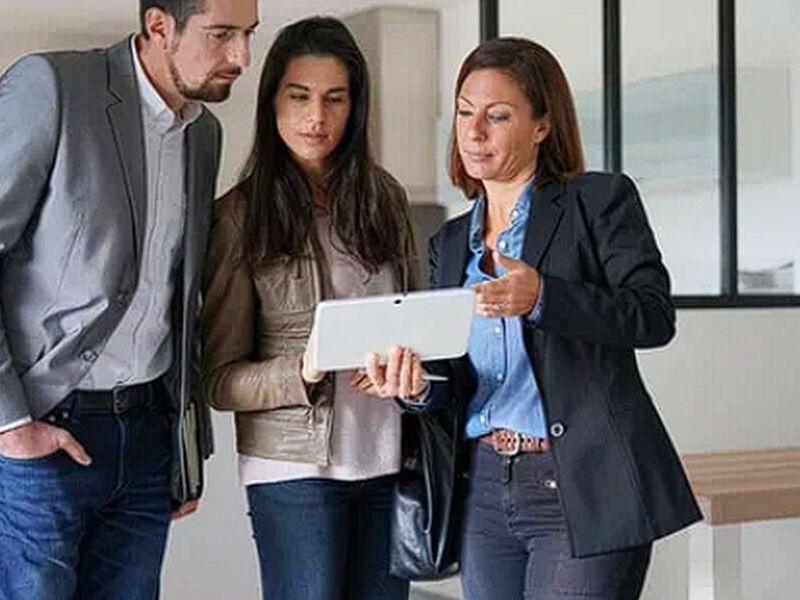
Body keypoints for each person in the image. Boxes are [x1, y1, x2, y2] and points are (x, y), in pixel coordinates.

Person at [423, 37, 702, 600]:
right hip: (484, 489)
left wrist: (544, 296)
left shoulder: (597, 202)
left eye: (498, 116)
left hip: (581, 483)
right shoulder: (449, 244)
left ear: (542, 126)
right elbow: (450, 378)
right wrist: (413, 385)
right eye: (465, 112)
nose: (474, 132)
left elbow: (652, 315)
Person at [0, 0, 256, 597]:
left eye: (248, 34)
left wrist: (183, 444)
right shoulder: (54, 88)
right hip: (45, 427)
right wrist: (10, 424)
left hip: (144, 438)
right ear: (159, 26)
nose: (242, 56)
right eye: (222, 34)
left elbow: (176, 298)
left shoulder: (204, 133)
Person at [201, 16, 424, 600]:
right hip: (294, 474)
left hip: (389, 463)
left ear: (355, 107)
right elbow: (219, 381)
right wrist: (302, 370)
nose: (316, 118)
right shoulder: (238, 218)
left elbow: (415, 321)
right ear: (272, 102)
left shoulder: (385, 199)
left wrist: (414, 369)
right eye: (299, 97)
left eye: (335, 99)